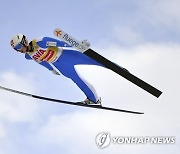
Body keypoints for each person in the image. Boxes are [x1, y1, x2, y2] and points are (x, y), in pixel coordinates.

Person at [10, 34, 103, 105]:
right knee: (77, 80)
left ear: (24, 42)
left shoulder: (41, 42)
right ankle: (93, 99)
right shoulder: (28, 56)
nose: (19, 50)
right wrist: (51, 69)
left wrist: (78, 45)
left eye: (18, 47)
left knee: (96, 61)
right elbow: (40, 61)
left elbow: (60, 43)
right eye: (16, 49)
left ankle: (116, 68)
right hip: (60, 65)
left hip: (67, 55)